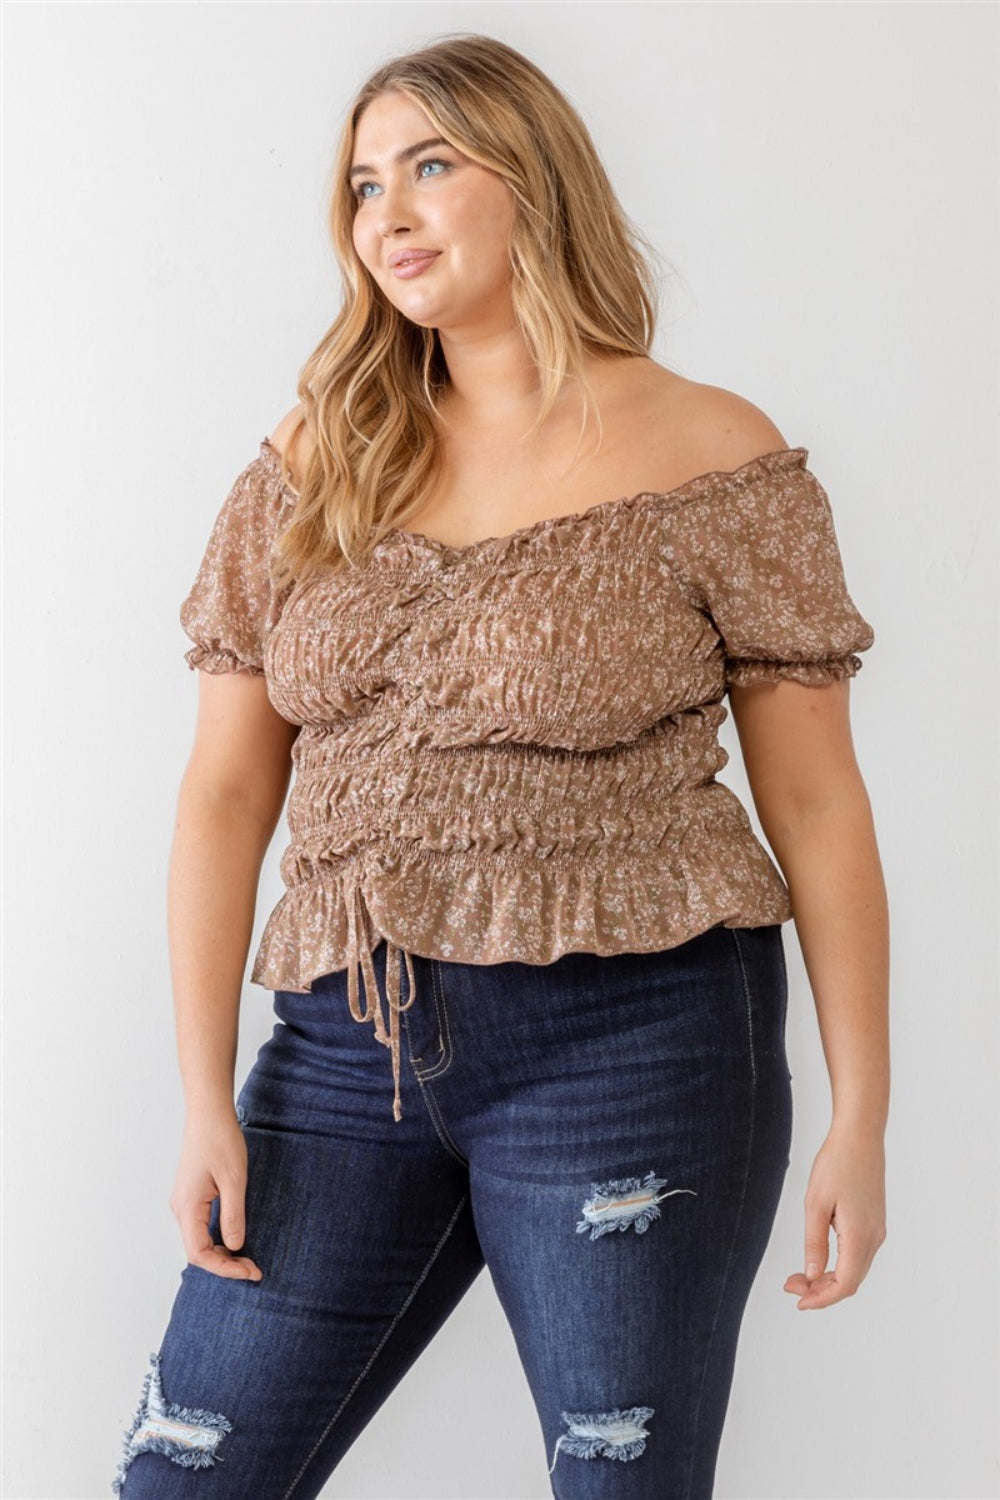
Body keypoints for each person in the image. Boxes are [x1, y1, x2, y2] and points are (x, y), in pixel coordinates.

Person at [112, 32, 889, 1500]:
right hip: (351, 1042)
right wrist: (205, 1087)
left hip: (638, 1037)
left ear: (533, 181)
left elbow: (817, 800)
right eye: (360, 184)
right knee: (185, 1480)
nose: (387, 215)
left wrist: (864, 1114)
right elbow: (225, 791)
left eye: (429, 167)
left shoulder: (712, 455)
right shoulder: (321, 452)